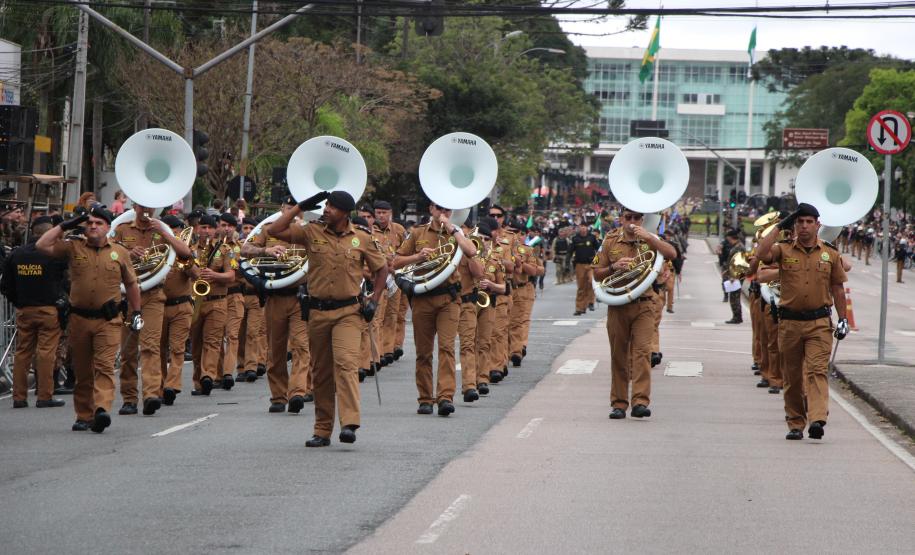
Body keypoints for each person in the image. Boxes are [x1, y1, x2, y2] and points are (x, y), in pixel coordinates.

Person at [269, 190, 387, 446]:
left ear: (345, 213)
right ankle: (322, 430)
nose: (326, 209)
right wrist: (300, 206)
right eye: (326, 205)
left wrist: (374, 301)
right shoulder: (312, 232)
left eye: (332, 207)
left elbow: (382, 269)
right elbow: (275, 231)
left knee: (345, 364)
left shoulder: (362, 238)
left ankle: (349, 424)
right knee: (321, 372)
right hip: (317, 312)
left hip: (349, 312)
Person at [36, 204, 142, 433]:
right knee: (82, 370)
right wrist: (65, 225)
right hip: (79, 319)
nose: (93, 226)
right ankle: (84, 414)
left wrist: (137, 312)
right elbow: (42, 245)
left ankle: (101, 410)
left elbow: (132, 284)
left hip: (109, 320)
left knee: (104, 366)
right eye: (90, 223)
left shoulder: (120, 251)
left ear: (107, 227)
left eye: (99, 223)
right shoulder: (73, 246)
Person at [757, 203, 848, 441]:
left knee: (817, 371)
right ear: (795, 225)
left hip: (819, 322)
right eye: (800, 222)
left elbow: (838, 287)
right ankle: (796, 422)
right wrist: (778, 227)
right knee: (793, 376)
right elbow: (760, 255)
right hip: (790, 323)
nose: (805, 226)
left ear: (818, 225)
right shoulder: (783, 249)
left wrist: (844, 318)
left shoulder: (829, 253)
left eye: (809, 222)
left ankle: (817, 419)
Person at [394, 201, 477, 417]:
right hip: (422, 297)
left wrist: (452, 228)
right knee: (423, 352)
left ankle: (445, 397)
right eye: (439, 208)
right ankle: (425, 398)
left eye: (447, 209)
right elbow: (394, 262)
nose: (443, 212)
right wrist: (418, 257)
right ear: (430, 209)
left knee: (447, 348)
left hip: (449, 298)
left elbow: (471, 251)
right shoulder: (417, 232)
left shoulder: (457, 231)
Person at [592, 208, 676, 419]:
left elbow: (672, 254)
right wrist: (614, 267)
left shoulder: (650, 239)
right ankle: (619, 404)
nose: (631, 221)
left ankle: (640, 401)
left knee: (642, 353)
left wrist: (650, 237)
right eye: (627, 217)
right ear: (621, 218)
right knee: (618, 355)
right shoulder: (610, 241)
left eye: (636, 217)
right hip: (618, 305)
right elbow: (596, 273)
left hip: (644, 303)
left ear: (642, 219)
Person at [112, 203, 192, 416]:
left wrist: (165, 235)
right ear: (134, 206)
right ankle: (129, 399)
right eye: (142, 206)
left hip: (154, 295)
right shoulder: (122, 228)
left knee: (151, 346)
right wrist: (128, 252)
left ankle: (150, 395)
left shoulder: (162, 228)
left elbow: (186, 254)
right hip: (128, 295)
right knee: (129, 351)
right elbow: (108, 254)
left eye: (150, 206)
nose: (146, 210)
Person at [241, 198, 313, 413]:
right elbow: (244, 250)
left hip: (300, 296)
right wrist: (265, 252)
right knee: (276, 349)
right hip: (275, 296)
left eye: (296, 209)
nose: (292, 212)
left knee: (301, 347)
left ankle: (298, 392)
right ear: (282, 208)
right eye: (289, 208)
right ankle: (278, 396)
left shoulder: (309, 230)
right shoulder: (267, 229)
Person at [0, 216, 68, 408]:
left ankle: (19, 397)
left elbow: (5, 285)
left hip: (24, 309)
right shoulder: (53, 253)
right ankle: (45, 395)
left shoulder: (16, 254)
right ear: (49, 232)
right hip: (48, 309)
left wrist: (19, 302)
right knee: (46, 352)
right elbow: (65, 280)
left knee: (22, 353)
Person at [188, 215, 236, 396]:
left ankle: (208, 376)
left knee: (212, 341)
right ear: (197, 229)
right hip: (196, 302)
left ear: (215, 229)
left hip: (217, 301)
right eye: (203, 227)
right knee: (196, 344)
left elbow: (231, 276)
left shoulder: (224, 250)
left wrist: (214, 275)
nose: (206, 231)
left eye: (209, 227)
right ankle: (199, 381)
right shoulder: (189, 250)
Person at [158, 215, 195, 406]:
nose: (175, 233)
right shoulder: (157, 249)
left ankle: (172, 385)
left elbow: (196, 274)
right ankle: (161, 386)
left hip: (181, 305)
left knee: (178, 348)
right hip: (158, 306)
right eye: (171, 230)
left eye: (177, 230)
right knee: (158, 349)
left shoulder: (185, 250)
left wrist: (186, 260)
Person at [373, 200, 406, 365]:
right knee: (378, 316)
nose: (380, 215)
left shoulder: (399, 230)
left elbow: (406, 250)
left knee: (393, 314)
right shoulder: (370, 230)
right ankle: (378, 351)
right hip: (379, 276)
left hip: (396, 275)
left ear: (390, 213)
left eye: (383, 212)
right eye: (378, 212)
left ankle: (389, 348)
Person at [571, 223, 600, 315]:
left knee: (591, 282)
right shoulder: (575, 238)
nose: (583, 228)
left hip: (591, 265)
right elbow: (570, 251)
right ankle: (580, 308)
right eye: (581, 227)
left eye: (584, 226)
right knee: (581, 287)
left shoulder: (592, 238)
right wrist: (567, 265)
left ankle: (591, 302)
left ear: (587, 228)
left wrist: (598, 261)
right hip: (580, 265)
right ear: (579, 228)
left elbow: (599, 250)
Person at [721, 229, 744, 324]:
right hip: (733, 274)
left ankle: (737, 317)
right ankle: (736, 316)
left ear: (730, 238)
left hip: (736, 276)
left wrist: (734, 276)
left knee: (735, 297)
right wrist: (727, 271)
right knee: (733, 297)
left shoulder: (739, 248)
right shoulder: (737, 246)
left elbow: (740, 263)